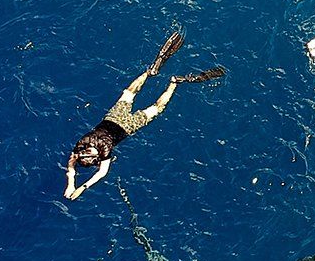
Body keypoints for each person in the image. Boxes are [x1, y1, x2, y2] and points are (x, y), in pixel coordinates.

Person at [64, 31, 224, 201]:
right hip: (112, 118)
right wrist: (72, 182)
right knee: (129, 92)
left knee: (156, 108)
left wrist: (80, 187)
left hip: (127, 127)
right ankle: (149, 73)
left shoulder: (104, 152)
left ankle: (174, 83)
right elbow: (72, 163)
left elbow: (101, 173)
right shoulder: (82, 144)